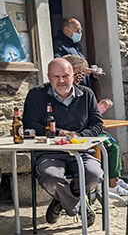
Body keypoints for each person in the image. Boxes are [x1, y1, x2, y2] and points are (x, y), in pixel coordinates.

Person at [23, 57, 103, 225]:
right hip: (49, 152)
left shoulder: (87, 94)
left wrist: (79, 137)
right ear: (48, 76)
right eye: (55, 77)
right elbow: (29, 125)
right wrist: (59, 133)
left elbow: (97, 124)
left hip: (81, 151)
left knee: (94, 174)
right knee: (50, 177)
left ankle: (61, 200)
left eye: (65, 76)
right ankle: (78, 206)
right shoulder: (36, 95)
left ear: (73, 76)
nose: (61, 81)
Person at [62, 55, 128, 198]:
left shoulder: (82, 89)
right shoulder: (68, 91)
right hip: (78, 135)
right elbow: (83, 115)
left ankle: (114, 180)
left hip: (86, 132)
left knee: (112, 143)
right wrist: (102, 107)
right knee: (111, 146)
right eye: (81, 71)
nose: (83, 75)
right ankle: (111, 185)